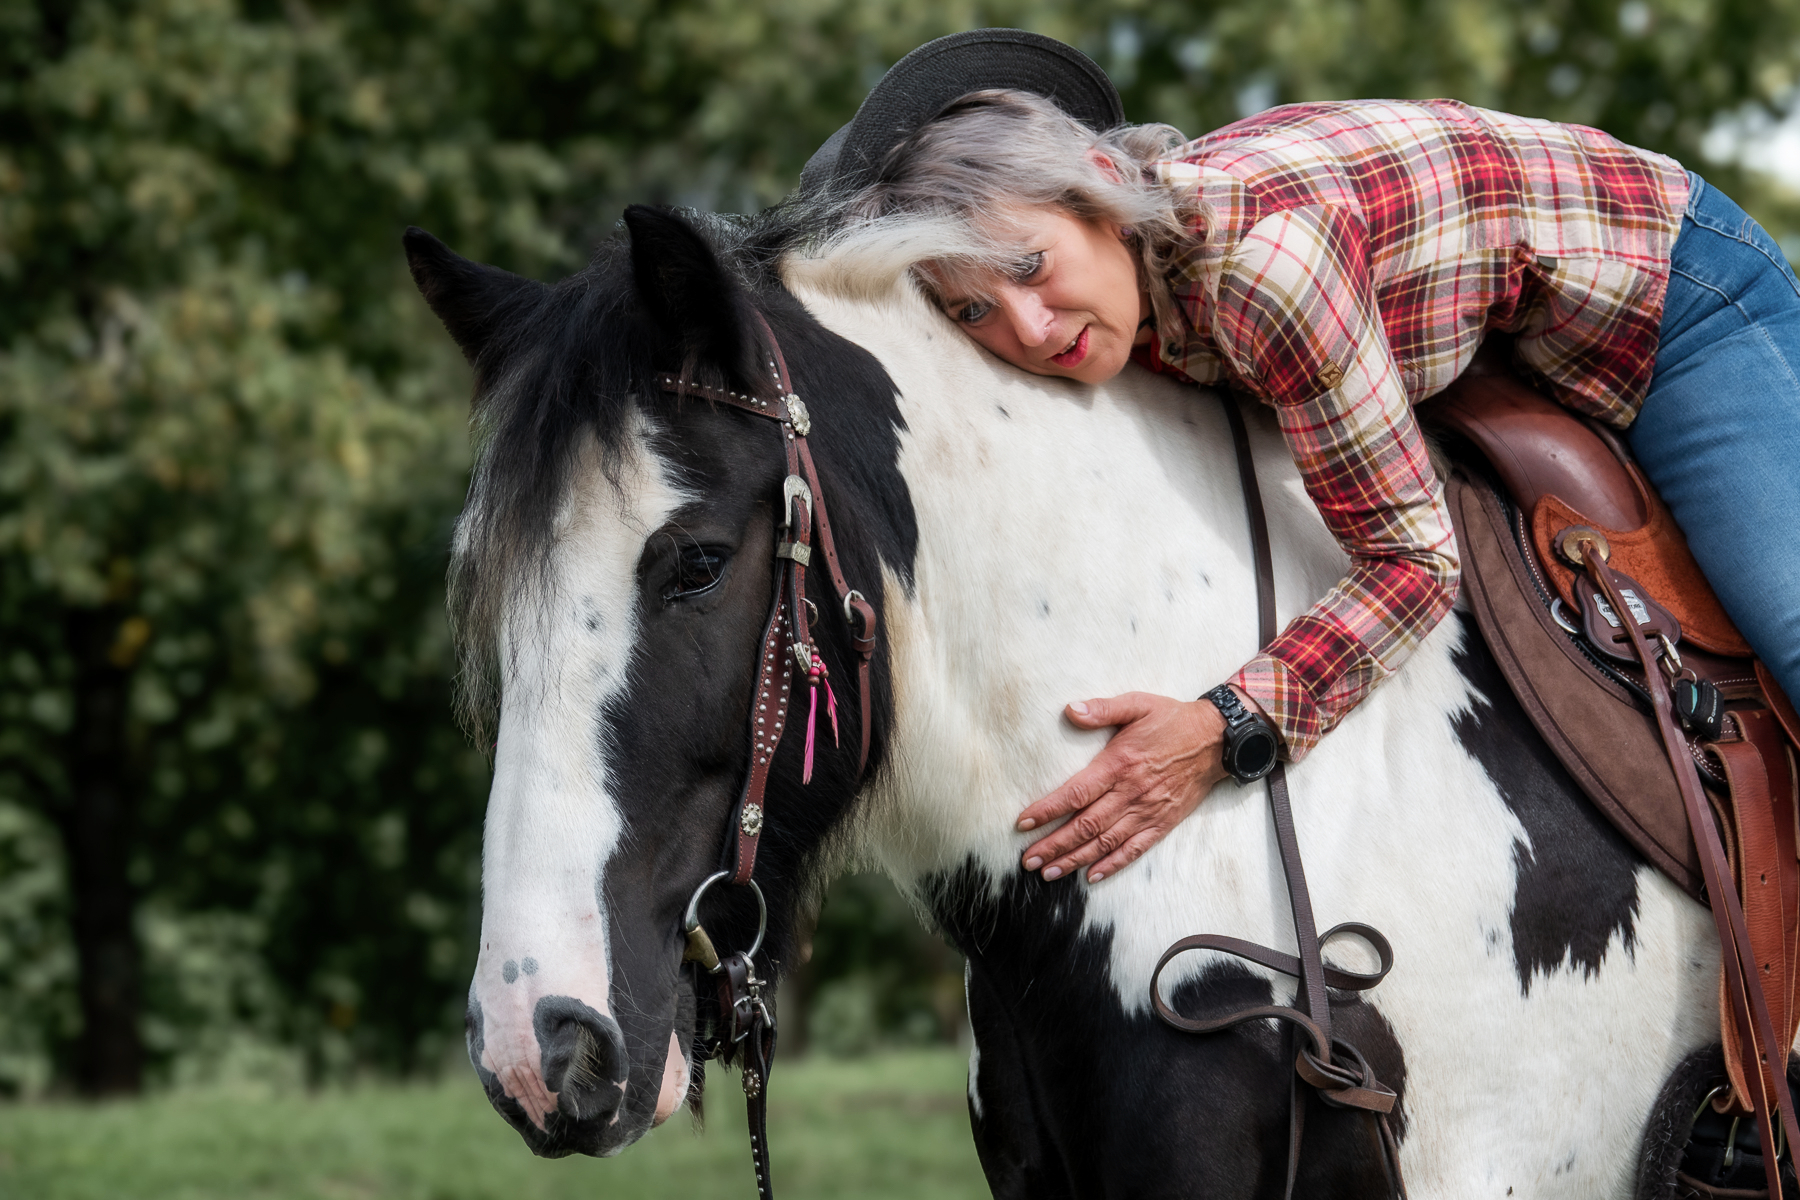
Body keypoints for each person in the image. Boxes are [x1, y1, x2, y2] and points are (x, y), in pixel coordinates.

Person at [801, 30, 1800, 887]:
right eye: (974, 308)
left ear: (1103, 188)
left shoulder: (1264, 275)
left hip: (1671, 294)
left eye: (1031, 266)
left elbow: (1417, 561)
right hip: (1481, 321)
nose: (1025, 325)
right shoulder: (1118, 297)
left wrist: (1228, 727)